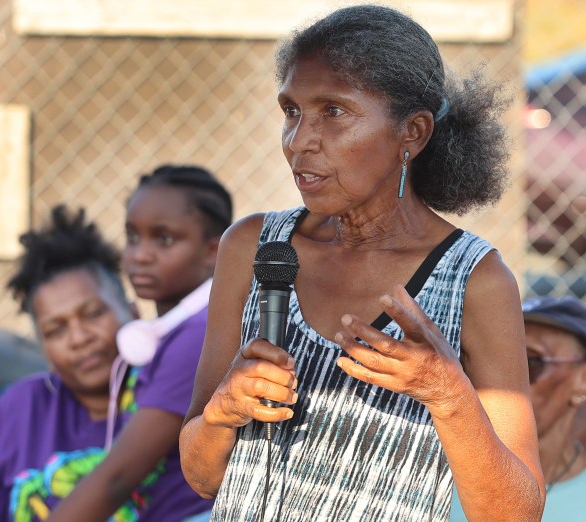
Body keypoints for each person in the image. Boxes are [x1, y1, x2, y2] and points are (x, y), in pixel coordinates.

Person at [179, 5, 545, 521]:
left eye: (333, 112)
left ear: (412, 134)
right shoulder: (255, 249)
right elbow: (201, 478)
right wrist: (222, 413)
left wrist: (448, 395)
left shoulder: (474, 281)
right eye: (291, 111)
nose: (299, 141)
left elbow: (516, 514)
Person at [49, 164, 233, 521]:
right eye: (132, 237)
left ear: (214, 250)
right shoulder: (182, 329)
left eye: (164, 239)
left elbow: (117, 478)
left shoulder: (197, 336)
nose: (140, 255)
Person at [0, 205, 135, 521]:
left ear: (133, 311)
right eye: (56, 330)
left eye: (93, 313)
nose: (79, 338)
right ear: (41, 346)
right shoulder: (19, 409)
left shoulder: (162, 396)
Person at [451, 295, 586, 520]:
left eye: (530, 362)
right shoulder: (437, 466)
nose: (504, 378)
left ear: (582, 380)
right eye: (496, 361)